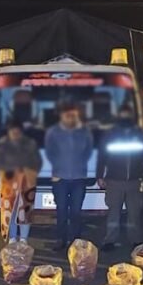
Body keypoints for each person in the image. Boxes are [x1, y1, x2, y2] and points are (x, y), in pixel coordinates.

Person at [97, 102, 143, 250]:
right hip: (114, 181)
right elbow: (102, 157)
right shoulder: (110, 134)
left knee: (134, 213)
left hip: (134, 181)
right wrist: (100, 176)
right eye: (123, 114)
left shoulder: (139, 134)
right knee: (113, 213)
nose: (125, 117)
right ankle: (110, 241)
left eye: (127, 114)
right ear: (119, 116)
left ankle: (135, 240)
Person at [44, 100, 94, 250]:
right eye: (67, 115)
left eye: (73, 115)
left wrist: (80, 165)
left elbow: (88, 151)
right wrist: (58, 167)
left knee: (76, 211)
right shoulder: (53, 132)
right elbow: (50, 152)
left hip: (79, 178)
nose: (70, 118)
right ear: (62, 116)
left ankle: (75, 241)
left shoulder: (84, 132)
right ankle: (60, 239)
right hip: (60, 179)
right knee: (61, 211)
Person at [0, 119, 42, 242]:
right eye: (12, 131)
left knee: (25, 211)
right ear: (9, 131)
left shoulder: (30, 143)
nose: (15, 134)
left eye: (17, 131)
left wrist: (30, 171)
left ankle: (24, 239)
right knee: (10, 211)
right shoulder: (3, 143)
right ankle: (12, 237)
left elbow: (37, 162)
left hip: (27, 182)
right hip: (8, 183)